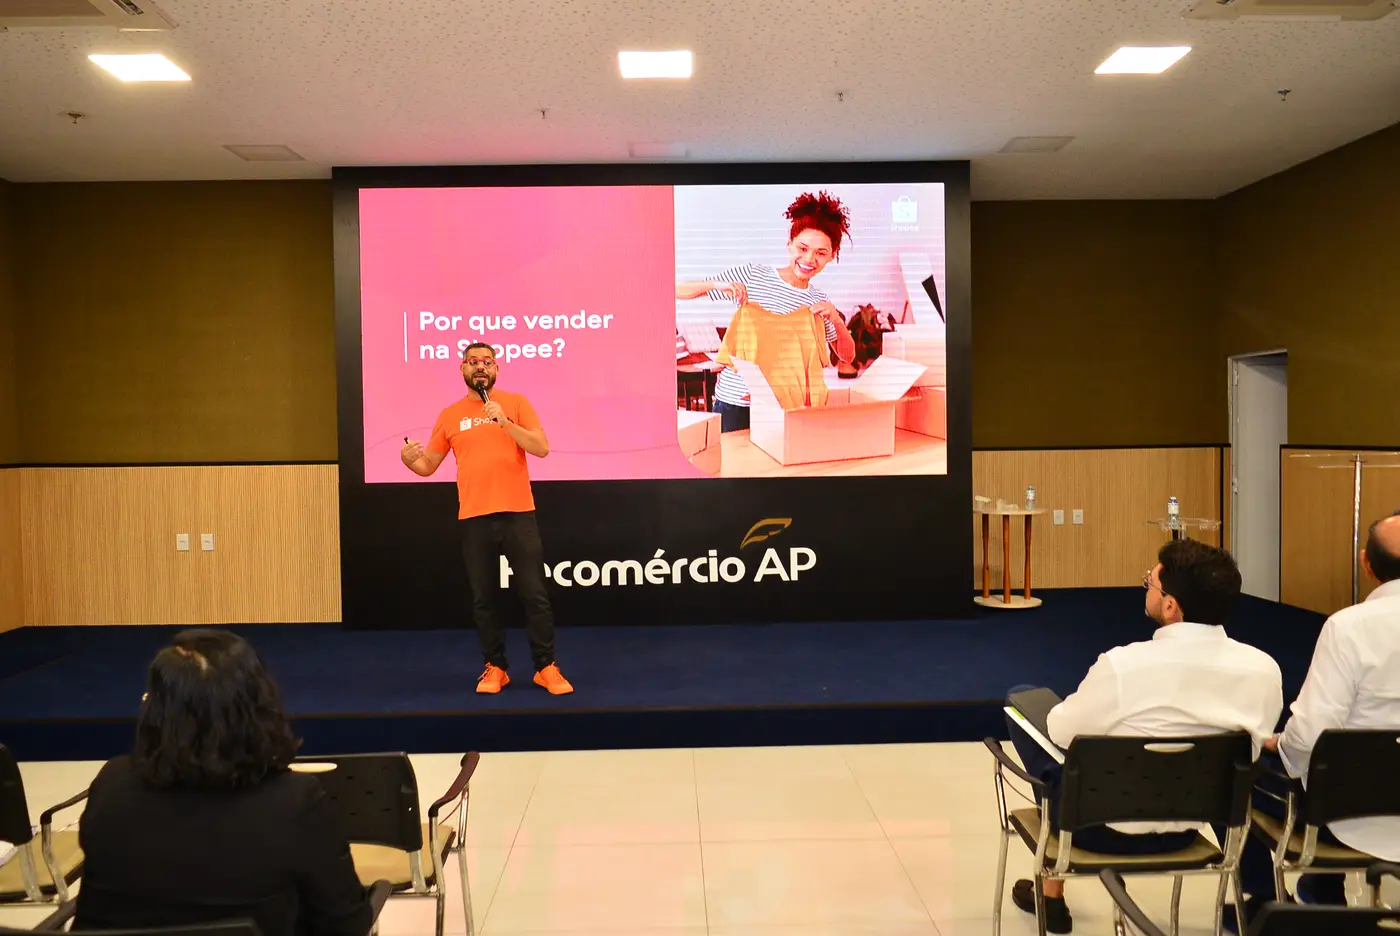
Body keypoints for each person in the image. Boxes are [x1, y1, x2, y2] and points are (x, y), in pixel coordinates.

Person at [1005, 539, 1283, 934]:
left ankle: (1052, 889)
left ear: (1170, 606)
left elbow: (1061, 732)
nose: (1146, 588)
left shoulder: (1123, 665)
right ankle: (1258, 894)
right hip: (1192, 830)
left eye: (1150, 583)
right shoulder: (1264, 670)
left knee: (1022, 703)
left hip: (1097, 831)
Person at [74, 629, 377, 936]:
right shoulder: (295, 804)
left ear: (155, 710)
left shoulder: (111, 784)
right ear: (258, 707)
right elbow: (347, 923)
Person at [1231, 514, 1400, 928]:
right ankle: (1318, 888)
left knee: (1242, 766)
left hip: (1352, 808)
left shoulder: (1349, 628)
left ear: (1366, 563)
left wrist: (1281, 745)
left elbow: (1310, 734)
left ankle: (1272, 900)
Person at [401, 342, 573, 695]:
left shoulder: (516, 403)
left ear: (496, 368)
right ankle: (495, 667)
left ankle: (545, 667)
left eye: (487, 361)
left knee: (534, 594)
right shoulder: (450, 415)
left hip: (518, 513)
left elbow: (541, 448)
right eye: (473, 361)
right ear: (462, 368)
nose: (480, 366)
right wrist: (409, 460)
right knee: (484, 598)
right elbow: (428, 466)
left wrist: (505, 423)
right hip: (474, 516)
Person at [676, 190, 856, 433]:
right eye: (802, 248)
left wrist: (836, 319)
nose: (809, 259)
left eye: (820, 253)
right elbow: (679, 291)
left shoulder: (819, 303)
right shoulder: (753, 277)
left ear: (832, 256)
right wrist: (716, 285)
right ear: (789, 244)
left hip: (787, 408)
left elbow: (848, 357)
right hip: (737, 403)